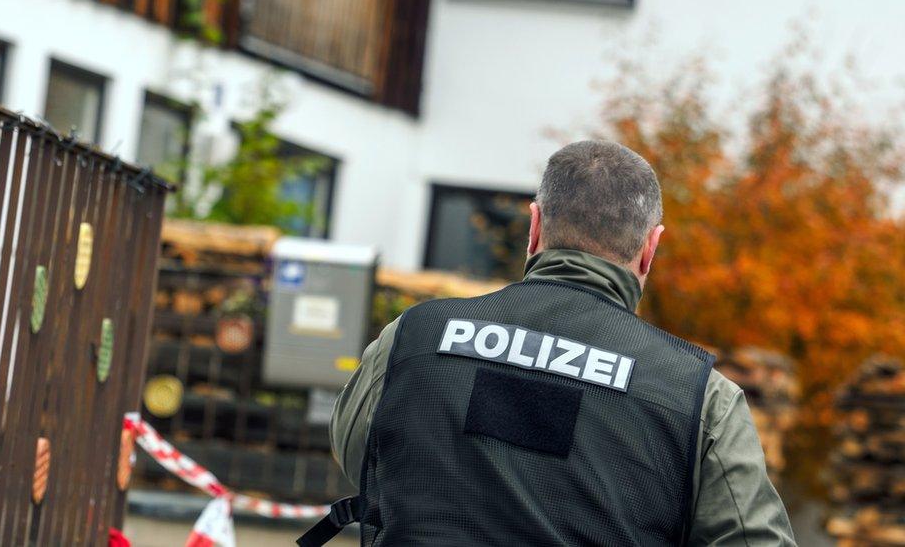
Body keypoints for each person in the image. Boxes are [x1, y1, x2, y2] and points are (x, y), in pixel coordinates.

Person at [302, 141, 795, 546]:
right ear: (650, 248)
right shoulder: (699, 398)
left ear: (534, 226)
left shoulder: (414, 337)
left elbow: (358, 455)